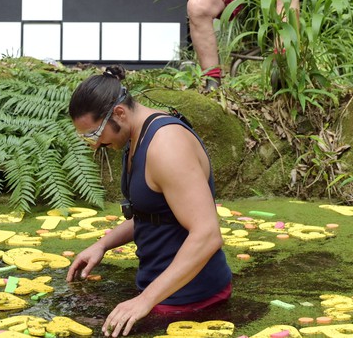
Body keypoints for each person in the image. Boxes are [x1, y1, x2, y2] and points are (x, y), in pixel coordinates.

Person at [66, 65, 232, 337]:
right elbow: (152, 214)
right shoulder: (134, 136)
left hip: (191, 300)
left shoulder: (167, 147)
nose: (94, 145)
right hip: (158, 292)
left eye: (94, 135)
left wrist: (145, 300)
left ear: (119, 113)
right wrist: (102, 245)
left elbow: (207, 234)